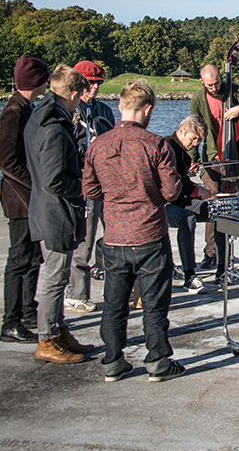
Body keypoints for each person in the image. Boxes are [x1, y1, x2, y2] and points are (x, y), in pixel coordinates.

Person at [83, 80, 185, 383]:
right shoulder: (156, 145)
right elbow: (171, 192)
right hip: (149, 235)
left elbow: (89, 188)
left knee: (114, 305)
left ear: (120, 106)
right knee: (154, 305)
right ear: (148, 108)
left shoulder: (97, 145)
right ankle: (158, 361)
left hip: (114, 236)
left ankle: (113, 361)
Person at [25, 64, 95, 363]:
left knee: (57, 275)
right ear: (74, 93)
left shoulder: (40, 117)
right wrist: (82, 186)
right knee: (55, 278)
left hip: (46, 208)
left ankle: (58, 330)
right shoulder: (54, 126)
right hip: (56, 212)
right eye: (80, 96)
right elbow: (54, 179)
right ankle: (48, 338)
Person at [189, 63, 239, 274]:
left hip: (238, 159)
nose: (214, 88)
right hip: (212, 159)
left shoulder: (236, 90)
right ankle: (211, 254)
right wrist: (194, 159)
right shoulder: (197, 99)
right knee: (213, 205)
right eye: (210, 85)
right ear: (202, 81)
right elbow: (194, 130)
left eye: (217, 83)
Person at [0, 55, 49, 344]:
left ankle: (29, 311)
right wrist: (35, 185)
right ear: (36, 82)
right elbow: (4, 161)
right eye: (44, 79)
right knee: (19, 259)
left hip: (29, 199)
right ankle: (11, 322)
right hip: (20, 200)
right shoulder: (13, 113)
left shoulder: (25, 108)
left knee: (32, 257)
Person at [65, 59, 116, 314]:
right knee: (84, 240)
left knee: (117, 234)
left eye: (98, 82)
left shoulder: (104, 111)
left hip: (107, 181)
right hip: (84, 182)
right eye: (90, 83)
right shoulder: (70, 112)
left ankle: (117, 288)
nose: (94, 88)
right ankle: (76, 293)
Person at [163, 115, 214, 294]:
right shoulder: (166, 148)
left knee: (216, 211)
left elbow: (183, 182)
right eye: (193, 138)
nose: (195, 143)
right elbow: (171, 184)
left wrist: (200, 191)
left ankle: (222, 267)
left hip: (179, 200)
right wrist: (197, 191)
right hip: (162, 203)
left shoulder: (183, 152)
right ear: (182, 130)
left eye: (198, 141)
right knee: (188, 219)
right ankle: (189, 275)